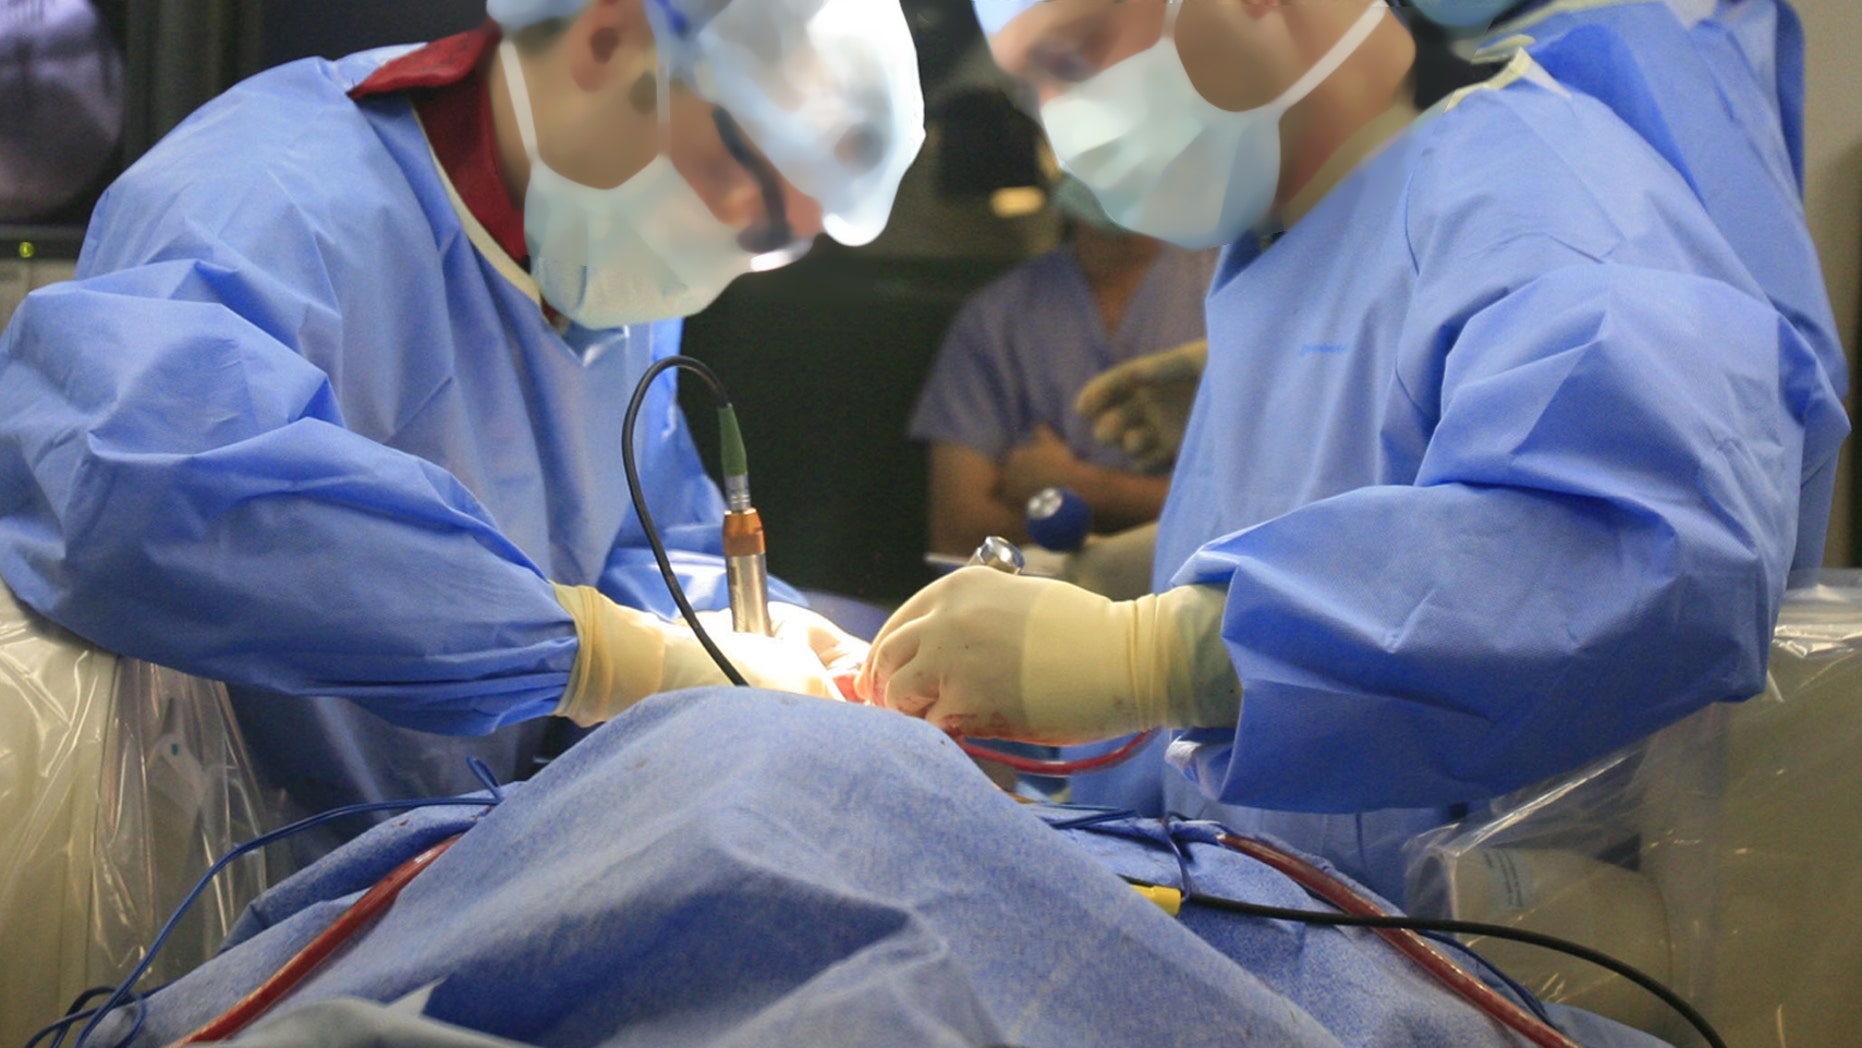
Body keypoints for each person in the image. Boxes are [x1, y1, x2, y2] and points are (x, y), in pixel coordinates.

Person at [858, 0, 1847, 904]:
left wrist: (1151, 653)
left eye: (1077, 53)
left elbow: (1642, 558)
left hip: (1469, 970)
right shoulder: (1285, 244)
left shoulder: (1544, 186)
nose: (1052, 124)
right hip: (1274, 919)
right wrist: (1100, 626)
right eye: (1027, 81)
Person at [0, 0, 921, 862]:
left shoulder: (603, 264)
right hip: (231, 896)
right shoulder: (272, 200)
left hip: (448, 874)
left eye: (782, 243)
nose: (739, 256)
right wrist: (597, 656)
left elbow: (632, 528)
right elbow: (135, 490)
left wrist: (742, 630)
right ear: (607, 40)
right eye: (745, 190)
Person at [909, 177, 1215, 557]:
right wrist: (1166, 506)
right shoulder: (998, 318)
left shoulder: (1227, 294)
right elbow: (960, 533)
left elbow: (1255, 511)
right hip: (1038, 597)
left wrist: (1077, 487)